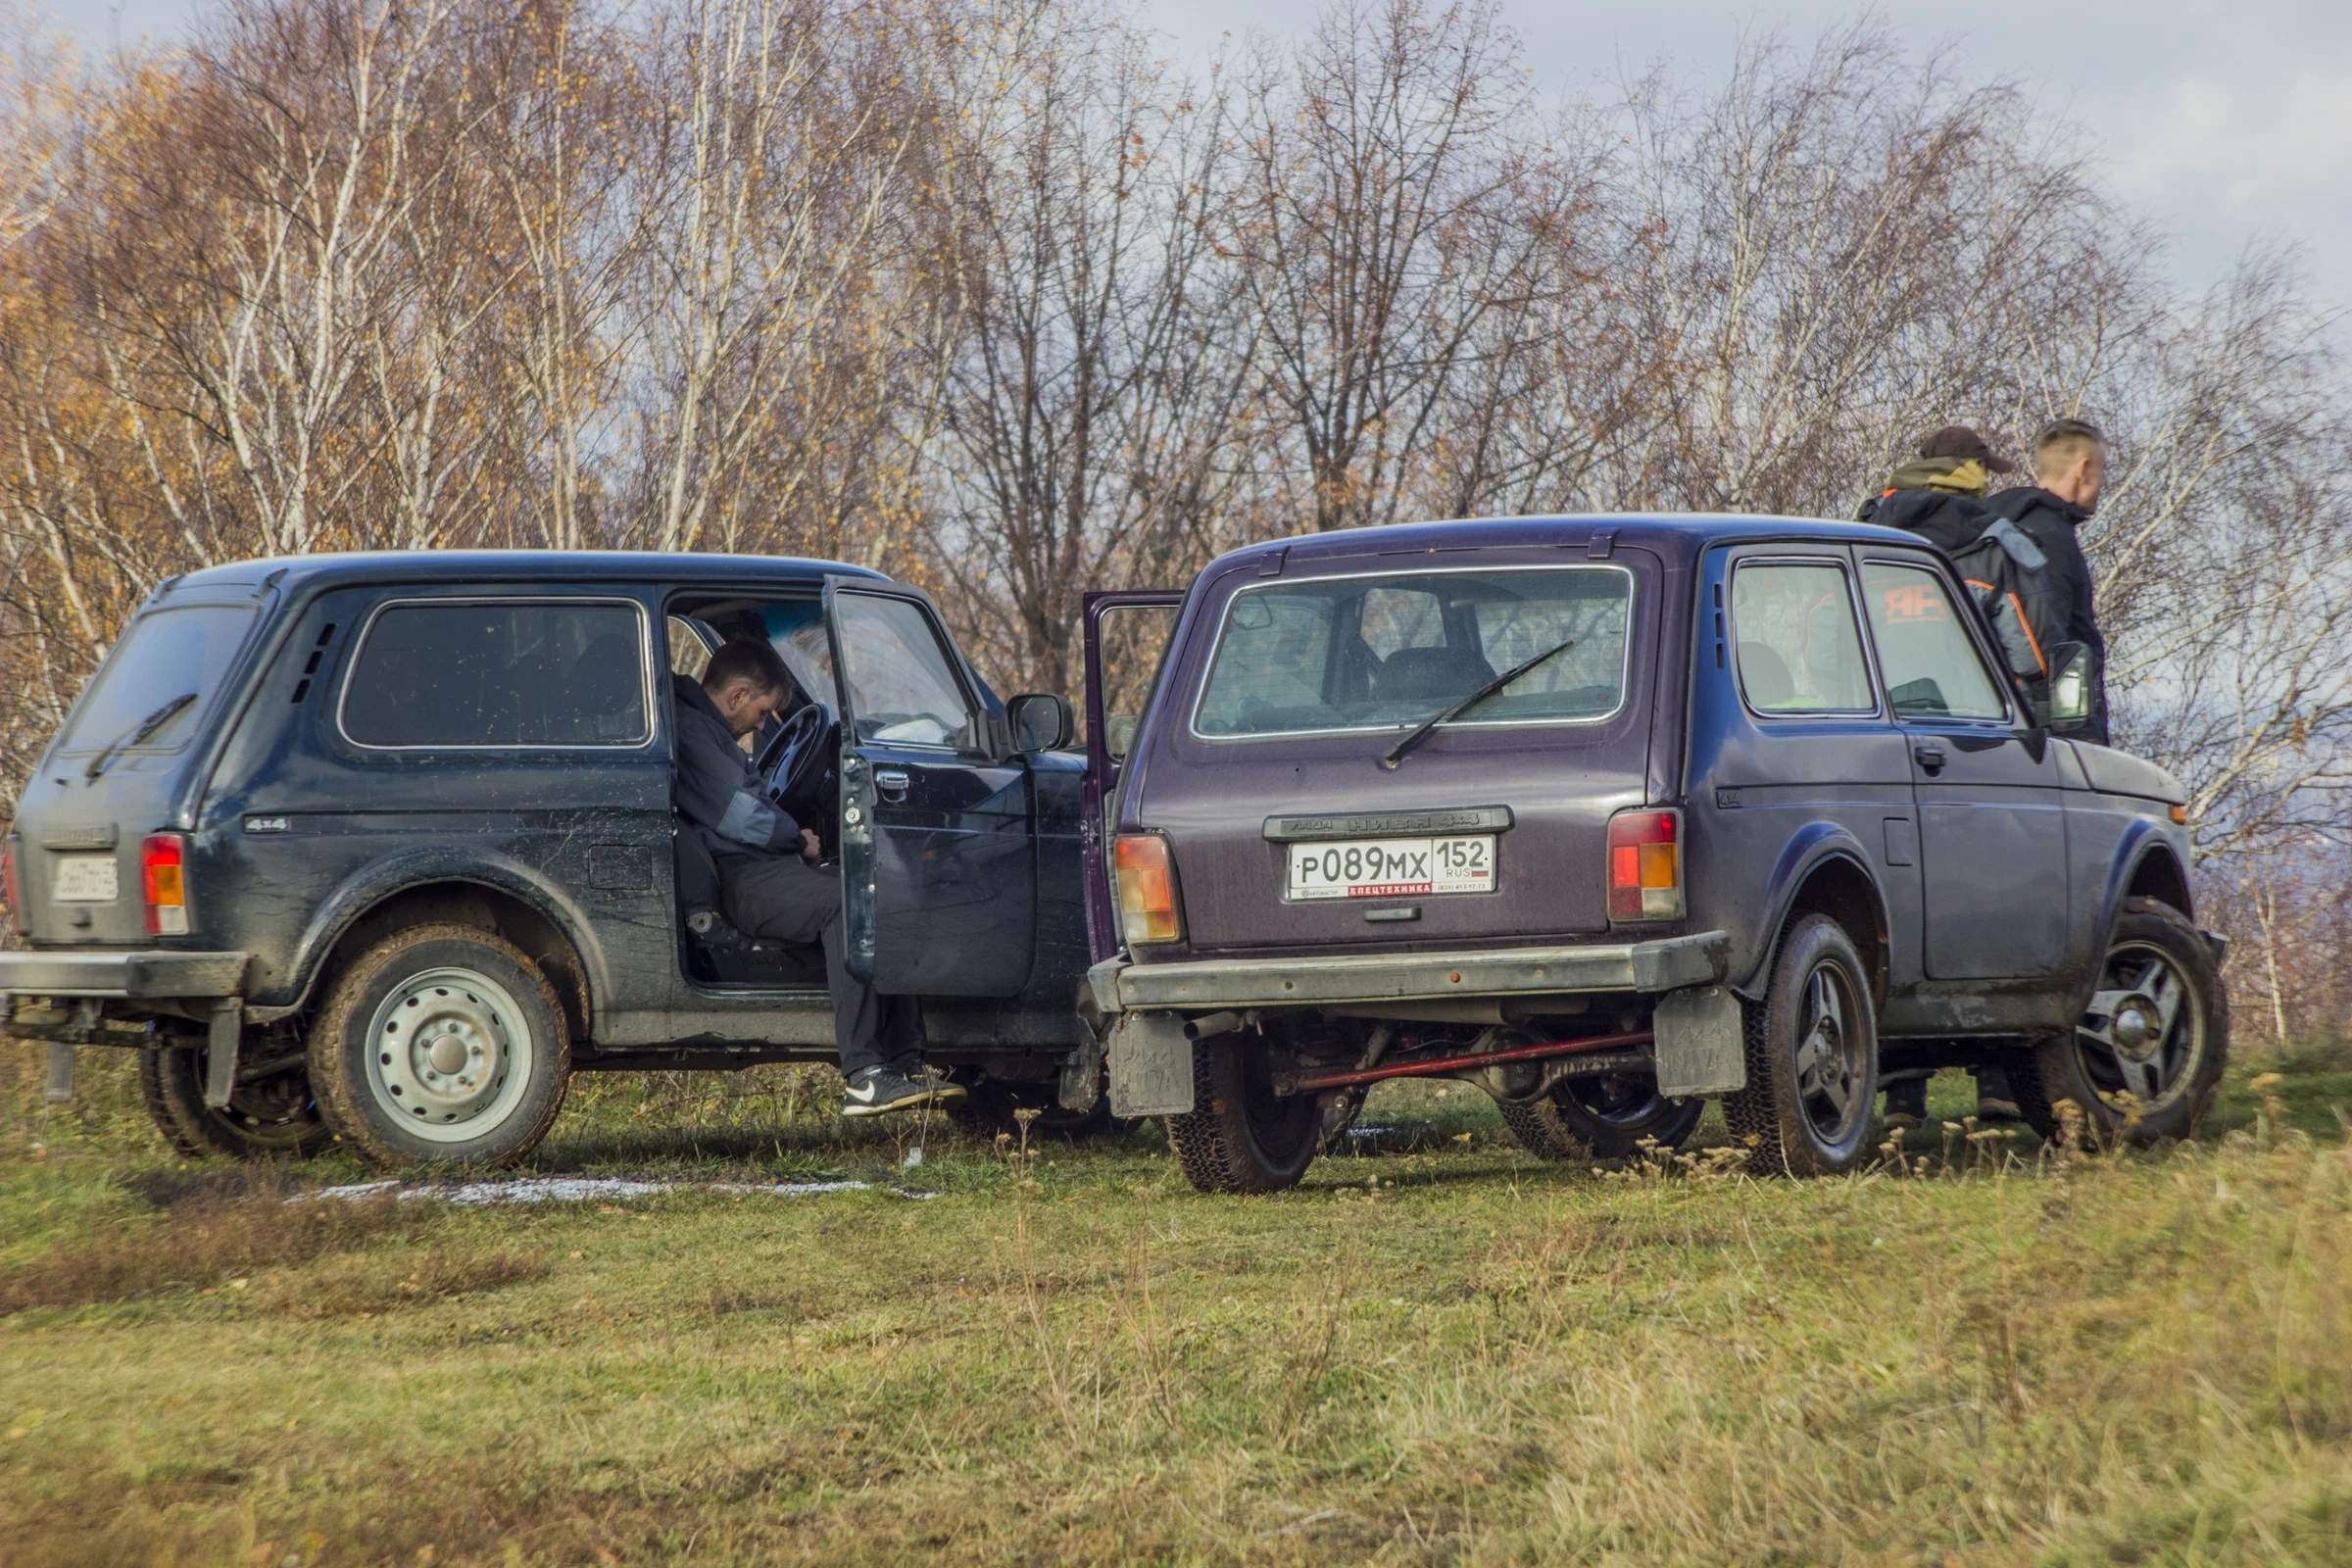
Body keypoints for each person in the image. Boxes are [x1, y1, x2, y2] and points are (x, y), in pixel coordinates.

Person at [671, 636, 962, 1117]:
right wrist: (796, 838)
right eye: (763, 712)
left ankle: (907, 1063)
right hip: (743, 878)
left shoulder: (707, 730)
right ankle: (866, 1075)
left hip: (765, 867)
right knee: (852, 905)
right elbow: (740, 818)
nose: (762, 725)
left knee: (884, 894)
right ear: (738, 695)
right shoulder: (693, 732)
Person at [1863, 424, 2027, 1128]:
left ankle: (1902, 1096)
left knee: (1897, 921)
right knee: (1994, 909)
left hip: (1873, 753)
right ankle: (1996, 1086)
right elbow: (2026, 651)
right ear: (1970, 471)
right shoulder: (1996, 536)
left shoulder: (1863, 535)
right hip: (1978, 752)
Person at [1988, 418, 2111, 746]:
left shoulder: (2006, 526)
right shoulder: (2050, 538)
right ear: (2083, 469)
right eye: (2102, 469)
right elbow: (2054, 650)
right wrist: (2084, 740)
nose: (2101, 481)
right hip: (2056, 738)